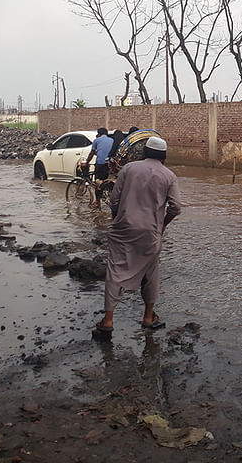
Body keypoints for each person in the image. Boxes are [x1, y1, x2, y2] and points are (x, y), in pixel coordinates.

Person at [93, 136, 181, 338]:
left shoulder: (129, 169)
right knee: (151, 274)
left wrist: (117, 219)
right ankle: (149, 318)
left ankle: (108, 320)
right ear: (164, 156)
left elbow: (114, 199)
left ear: (145, 152)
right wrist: (163, 225)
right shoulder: (169, 176)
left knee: (115, 271)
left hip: (123, 229)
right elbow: (176, 207)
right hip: (150, 232)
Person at [84, 127, 115, 205]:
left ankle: (97, 202)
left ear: (98, 134)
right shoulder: (112, 140)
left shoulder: (96, 140)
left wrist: (87, 162)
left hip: (100, 164)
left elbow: (92, 153)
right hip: (109, 164)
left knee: (98, 183)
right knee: (106, 181)